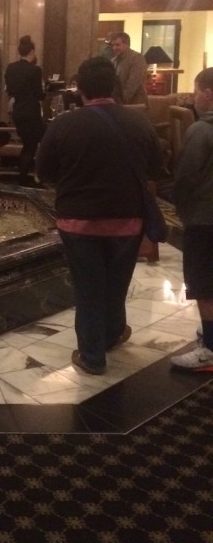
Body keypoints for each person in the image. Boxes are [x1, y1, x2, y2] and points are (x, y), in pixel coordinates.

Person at [36, 56, 164, 375]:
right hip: (128, 221)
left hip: (78, 222)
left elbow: (44, 171)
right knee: (117, 282)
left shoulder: (64, 124)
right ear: (114, 87)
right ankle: (113, 332)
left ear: (80, 89)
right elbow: (156, 168)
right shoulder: (139, 122)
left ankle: (93, 355)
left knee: (88, 286)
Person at [168, 68, 213, 372]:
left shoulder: (201, 130)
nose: (194, 98)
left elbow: (185, 177)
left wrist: (177, 206)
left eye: (196, 91)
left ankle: (209, 350)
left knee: (203, 283)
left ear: (208, 93)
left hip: (204, 217)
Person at [4, 34, 45, 185]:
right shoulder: (35, 70)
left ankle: (27, 176)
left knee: (30, 144)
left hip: (18, 111)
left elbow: (10, 90)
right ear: (32, 52)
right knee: (32, 145)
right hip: (31, 112)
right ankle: (24, 178)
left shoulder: (11, 68)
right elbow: (39, 94)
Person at [110, 32, 148, 106]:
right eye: (113, 45)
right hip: (120, 105)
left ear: (126, 44)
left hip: (136, 105)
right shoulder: (113, 61)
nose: (114, 48)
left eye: (117, 45)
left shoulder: (137, 58)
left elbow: (133, 84)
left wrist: (120, 102)